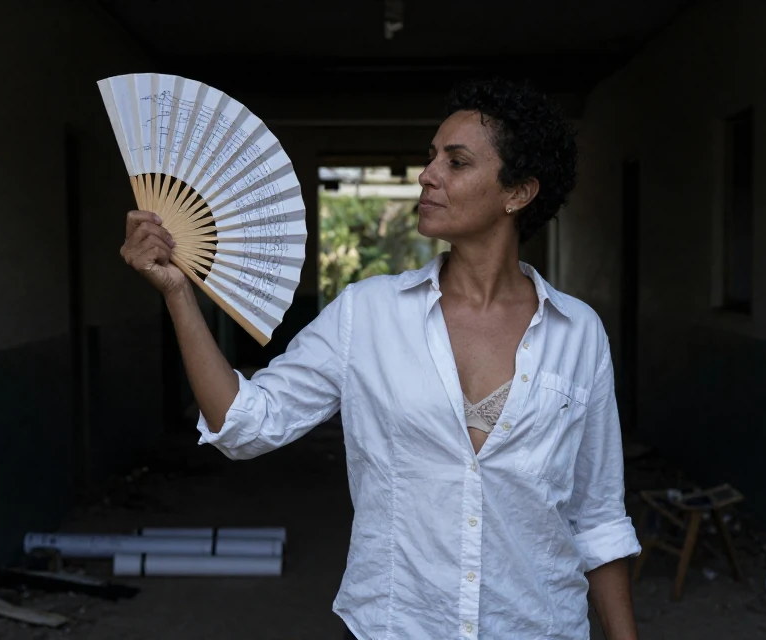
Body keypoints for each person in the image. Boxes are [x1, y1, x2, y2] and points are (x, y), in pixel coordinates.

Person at [120, 77, 641, 640]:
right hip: (395, 626)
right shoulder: (366, 315)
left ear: (518, 193)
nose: (427, 174)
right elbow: (243, 423)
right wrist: (179, 292)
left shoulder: (577, 332)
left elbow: (598, 517)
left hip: (539, 626)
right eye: (431, 156)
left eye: (457, 162)